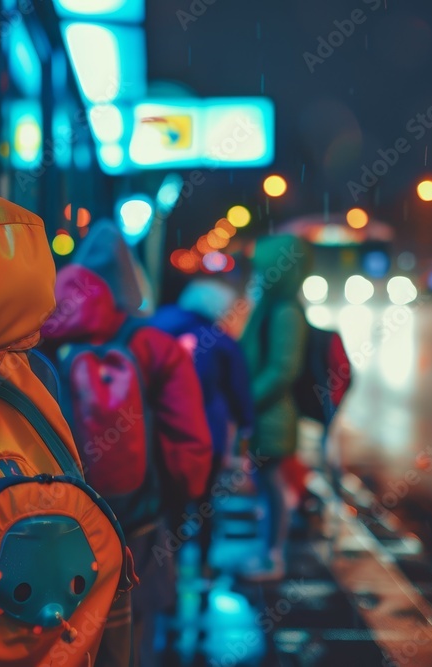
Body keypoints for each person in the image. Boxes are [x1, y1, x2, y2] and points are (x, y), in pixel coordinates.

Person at [41, 222, 212, 666]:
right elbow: (188, 441)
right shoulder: (155, 346)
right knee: (133, 636)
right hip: (138, 525)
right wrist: (181, 500)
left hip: (56, 525)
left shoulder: (37, 340)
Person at [150, 278, 255, 574]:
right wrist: (246, 426)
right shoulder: (220, 340)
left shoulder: (158, 330)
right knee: (206, 502)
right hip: (207, 434)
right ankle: (205, 564)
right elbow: (238, 390)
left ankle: (168, 567)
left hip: (164, 432)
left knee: (170, 503)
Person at [238, 235, 310, 580]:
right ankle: (267, 551)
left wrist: (247, 399)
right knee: (265, 484)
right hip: (266, 412)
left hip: (273, 415)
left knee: (272, 485)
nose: (260, 274)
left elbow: (284, 368)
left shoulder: (284, 311)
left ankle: (273, 556)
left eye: (266, 268)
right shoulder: (272, 305)